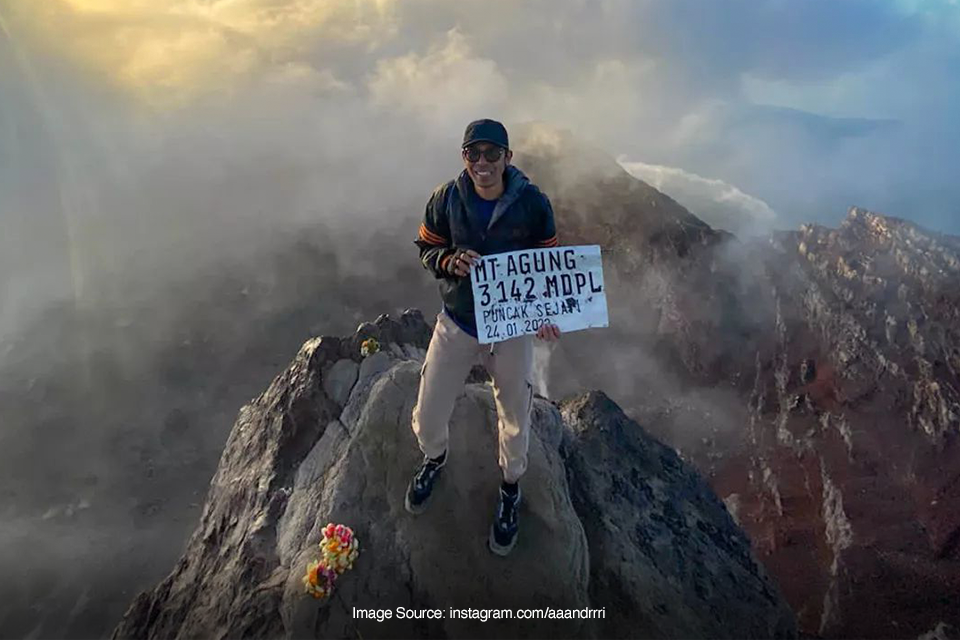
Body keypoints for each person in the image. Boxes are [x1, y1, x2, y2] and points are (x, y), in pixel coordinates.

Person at [407, 118, 561, 556]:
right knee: (429, 409)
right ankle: (434, 457)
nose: (483, 162)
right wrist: (448, 261)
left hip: (512, 328)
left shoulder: (534, 204)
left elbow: (550, 268)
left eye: (492, 153)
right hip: (459, 320)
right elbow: (426, 248)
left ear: (508, 158)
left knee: (515, 412)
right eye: (474, 153)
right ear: (464, 158)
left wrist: (545, 316)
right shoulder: (446, 199)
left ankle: (511, 486)